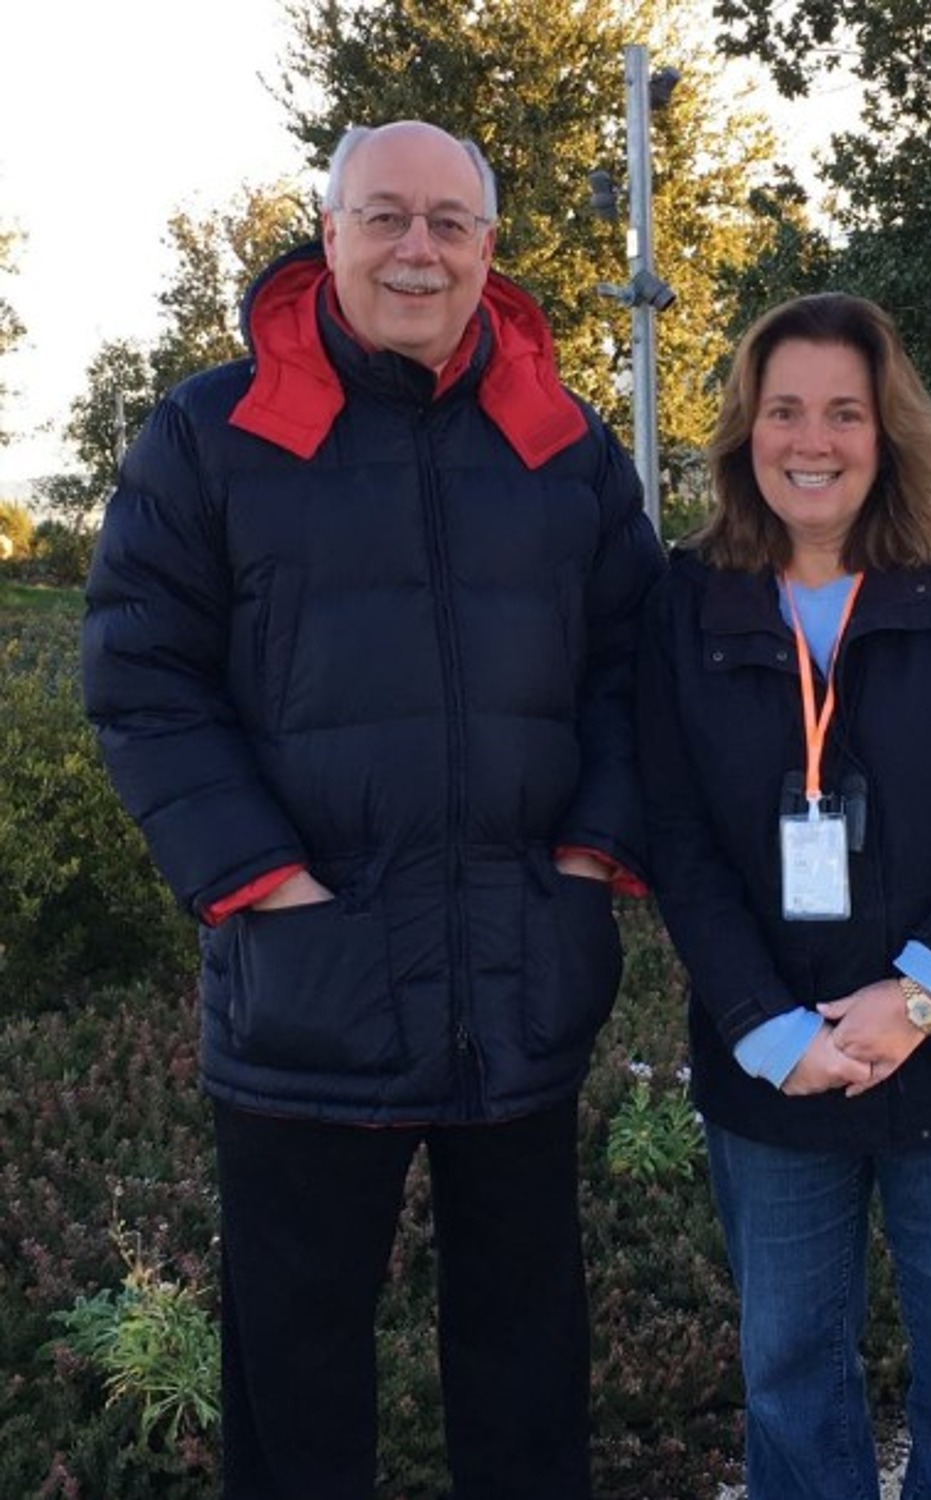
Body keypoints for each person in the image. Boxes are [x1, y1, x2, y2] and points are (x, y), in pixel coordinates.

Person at [83, 120, 664, 1500]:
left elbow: (641, 673)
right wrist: (266, 889)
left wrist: (583, 864)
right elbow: (140, 678)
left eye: (451, 223)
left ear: (490, 251)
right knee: (296, 1383)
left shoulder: (562, 442)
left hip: (521, 979)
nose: (420, 248)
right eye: (386, 217)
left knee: (529, 1370)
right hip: (307, 985)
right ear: (328, 232)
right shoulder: (215, 433)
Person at [636, 291, 931, 1499]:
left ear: (888, 435)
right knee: (789, 1373)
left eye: (844, 411)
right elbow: (675, 837)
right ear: (746, 432)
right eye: (783, 410)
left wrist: (923, 991)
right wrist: (769, 1031)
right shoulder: (690, 603)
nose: (812, 439)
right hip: (774, 1064)